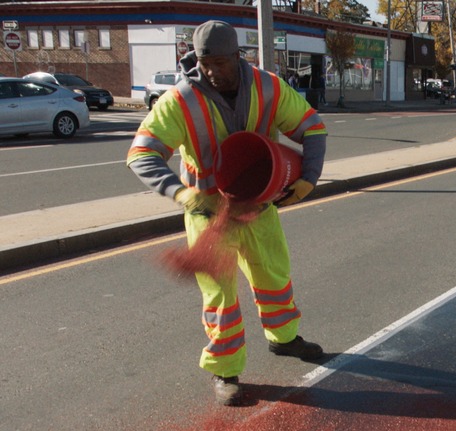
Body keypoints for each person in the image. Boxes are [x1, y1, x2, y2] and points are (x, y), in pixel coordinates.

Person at [127, 20, 328, 405]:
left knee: (273, 274)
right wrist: (181, 194)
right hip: (208, 213)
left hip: (257, 205)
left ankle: (284, 339)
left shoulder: (269, 87)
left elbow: (311, 127)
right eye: (205, 63)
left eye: (220, 63)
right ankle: (225, 369)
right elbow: (142, 154)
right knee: (219, 295)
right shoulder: (180, 100)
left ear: (239, 57)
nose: (212, 72)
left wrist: (309, 178)